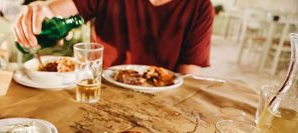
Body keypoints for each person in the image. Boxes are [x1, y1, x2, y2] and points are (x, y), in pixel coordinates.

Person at [14, 0, 214, 74]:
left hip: (161, 98)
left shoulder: (200, 7)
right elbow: (53, 10)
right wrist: (37, 10)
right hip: (100, 90)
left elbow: (188, 77)